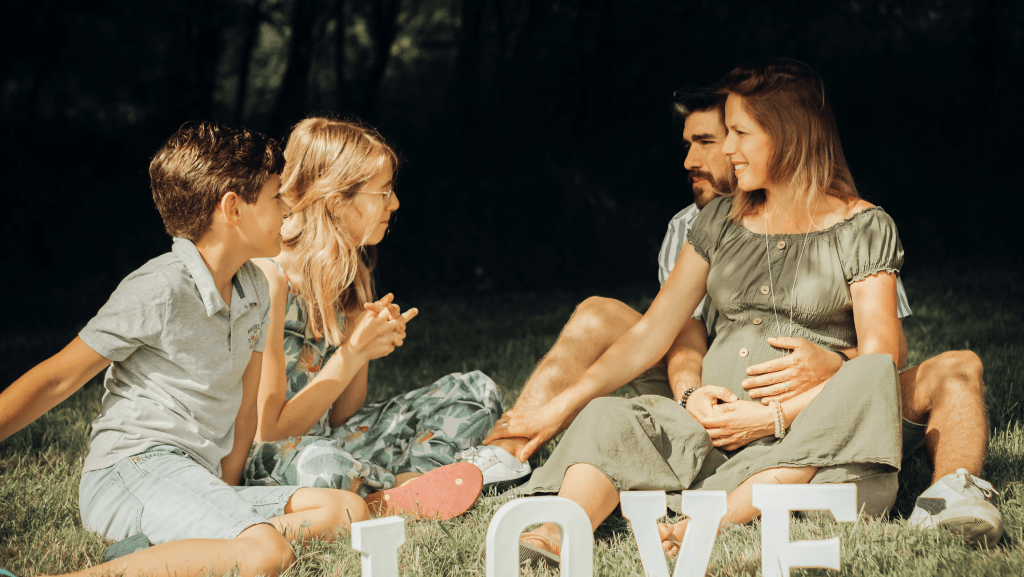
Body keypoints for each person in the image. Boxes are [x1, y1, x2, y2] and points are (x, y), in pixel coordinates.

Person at [475, 87, 1002, 546]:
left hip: (812, 420)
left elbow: (882, 353)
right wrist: (563, 408)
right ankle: (558, 528)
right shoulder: (716, 220)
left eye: (738, 134)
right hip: (716, 426)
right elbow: (655, 333)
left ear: (787, 135)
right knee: (612, 415)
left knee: (907, 368)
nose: (725, 150)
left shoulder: (860, 225)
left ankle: (951, 497)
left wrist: (790, 401)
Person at [0, 122, 369, 577]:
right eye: (276, 197)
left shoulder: (255, 286)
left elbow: (244, 416)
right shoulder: (159, 287)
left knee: (346, 510)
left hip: (194, 476)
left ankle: (171, 550)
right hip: (132, 471)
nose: (289, 206)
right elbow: (57, 379)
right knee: (266, 554)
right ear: (233, 208)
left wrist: (222, 497)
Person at [242, 117, 504, 518]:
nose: (394, 203)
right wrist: (351, 353)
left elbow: (345, 414)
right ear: (336, 200)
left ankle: (394, 488)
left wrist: (362, 349)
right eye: (383, 192)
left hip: (332, 437)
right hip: (272, 456)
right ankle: (410, 484)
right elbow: (269, 432)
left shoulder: (351, 271)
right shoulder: (270, 277)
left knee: (476, 391)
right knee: (323, 466)